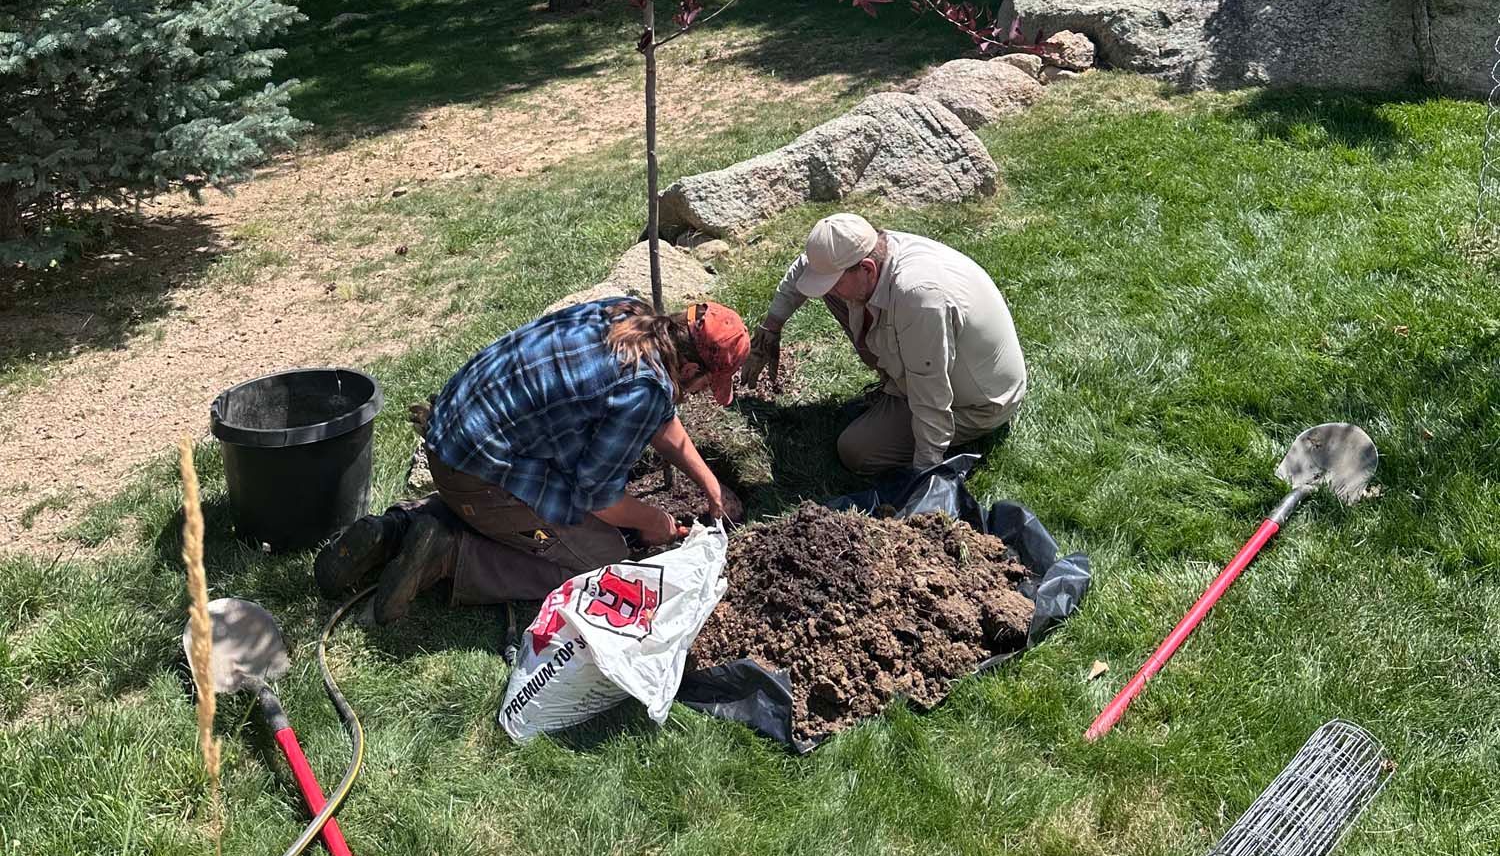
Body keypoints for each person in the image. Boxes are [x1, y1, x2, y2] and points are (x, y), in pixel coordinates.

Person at [315, 295, 750, 621]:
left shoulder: (627, 315)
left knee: (536, 499)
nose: (696, 395)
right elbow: (602, 501)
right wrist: (652, 521)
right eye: (703, 385)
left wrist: (709, 485)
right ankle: (447, 557)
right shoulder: (644, 390)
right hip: (475, 473)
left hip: (453, 433)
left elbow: (662, 424)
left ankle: (397, 529)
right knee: (603, 563)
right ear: (691, 370)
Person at [744, 213, 1025, 478]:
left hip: (978, 404)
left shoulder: (919, 298)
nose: (827, 290)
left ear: (866, 269)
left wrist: (925, 474)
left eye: (833, 282)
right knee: (834, 293)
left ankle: (899, 400)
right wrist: (771, 329)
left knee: (857, 452)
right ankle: (893, 389)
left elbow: (932, 395)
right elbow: (806, 267)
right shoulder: (868, 250)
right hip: (934, 364)